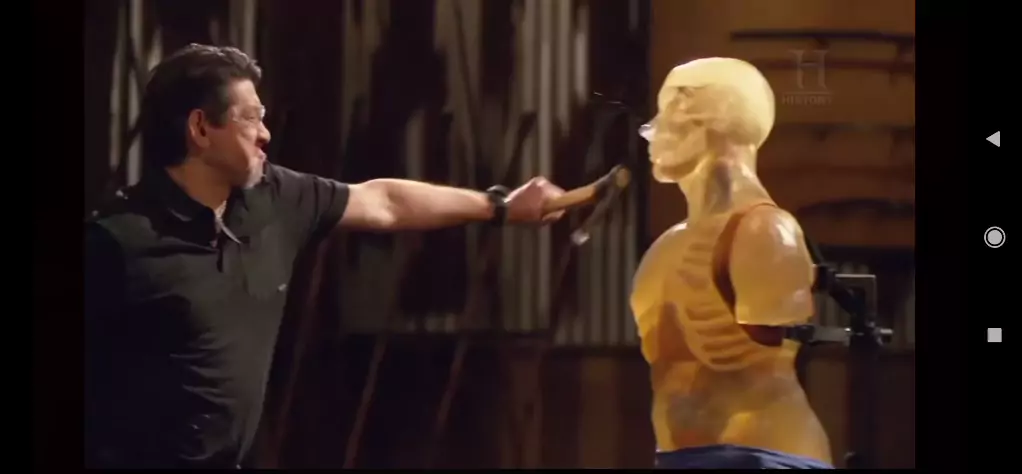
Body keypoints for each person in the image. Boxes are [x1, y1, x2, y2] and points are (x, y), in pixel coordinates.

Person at [84, 43, 566, 469]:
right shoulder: (117, 242)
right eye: (250, 118)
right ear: (200, 129)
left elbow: (385, 202)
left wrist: (501, 206)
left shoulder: (277, 198)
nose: (265, 134)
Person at [629, 57, 833, 469]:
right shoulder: (664, 250)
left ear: (718, 119)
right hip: (681, 457)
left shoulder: (763, 231)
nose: (652, 130)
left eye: (672, 109)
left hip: (766, 455)